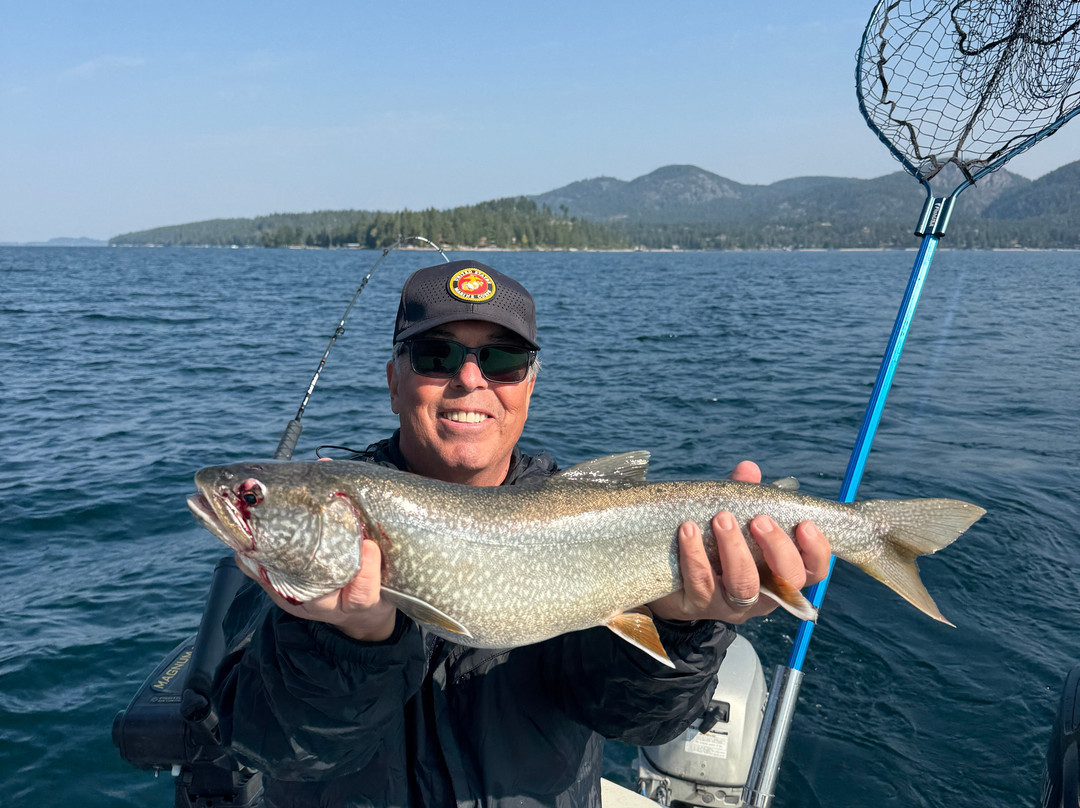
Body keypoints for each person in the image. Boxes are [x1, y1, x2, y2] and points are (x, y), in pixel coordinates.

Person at [211, 260, 832, 807]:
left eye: (503, 360)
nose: (472, 380)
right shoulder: (283, 568)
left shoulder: (580, 512)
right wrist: (350, 640)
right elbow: (267, 749)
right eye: (436, 356)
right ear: (394, 381)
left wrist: (684, 625)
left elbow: (637, 722)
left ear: (529, 385)